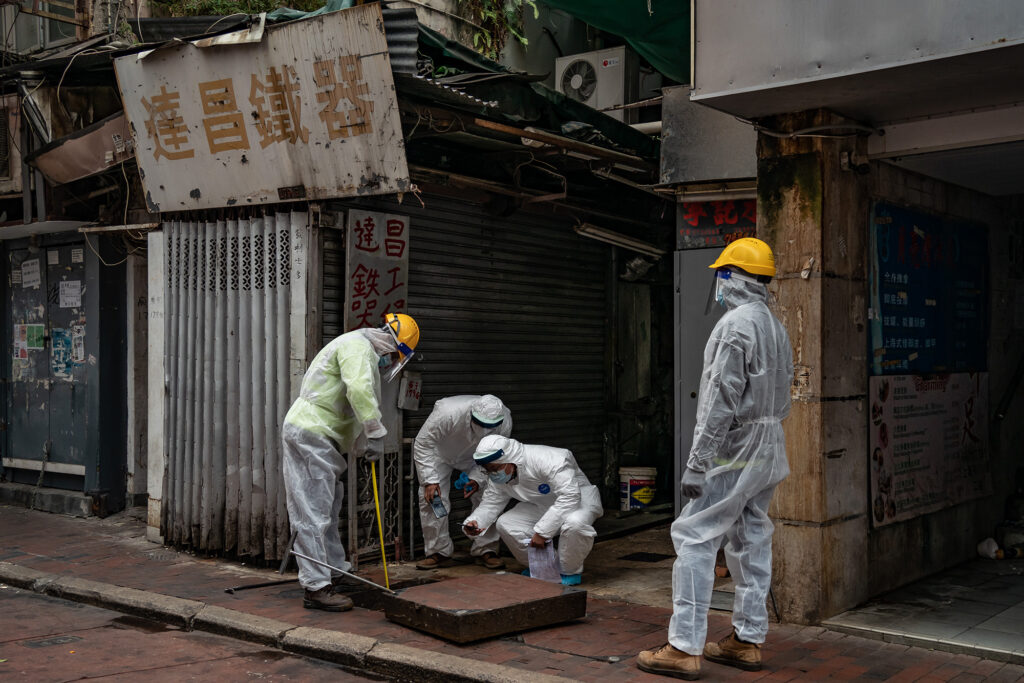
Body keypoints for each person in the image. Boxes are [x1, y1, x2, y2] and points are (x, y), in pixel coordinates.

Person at [638, 238, 793, 680]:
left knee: (694, 536)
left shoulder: (733, 327)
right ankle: (747, 639)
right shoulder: (774, 327)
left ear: (732, 277)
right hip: (769, 445)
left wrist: (698, 461)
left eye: (720, 274)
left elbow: (720, 402)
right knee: (751, 538)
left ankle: (683, 646)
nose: (717, 283)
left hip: (737, 448)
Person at [281, 312, 420, 611]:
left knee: (327, 508)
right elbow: (359, 389)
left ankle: (335, 571)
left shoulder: (361, 349)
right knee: (312, 511)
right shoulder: (358, 348)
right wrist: (375, 432)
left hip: (322, 437)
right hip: (311, 432)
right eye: (395, 357)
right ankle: (316, 587)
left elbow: (347, 400)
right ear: (390, 344)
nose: (390, 363)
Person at [463, 434, 603, 586]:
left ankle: (568, 571)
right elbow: (491, 502)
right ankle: (543, 568)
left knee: (575, 524)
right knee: (506, 523)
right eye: (487, 470)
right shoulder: (500, 474)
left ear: (509, 459)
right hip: (542, 504)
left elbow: (570, 496)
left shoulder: (550, 459)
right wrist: (475, 521)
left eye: (494, 469)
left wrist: (542, 532)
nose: (492, 474)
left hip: (579, 500)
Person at [413, 395, 513, 570]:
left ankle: (486, 549)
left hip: (478, 458)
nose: (483, 430)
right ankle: (438, 551)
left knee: (489, 494)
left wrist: (476, 479)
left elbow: (497, 454)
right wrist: (429, 480)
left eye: (489, 427)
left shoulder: (505, 421)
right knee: (432, 499)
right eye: (480, 424)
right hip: (440, 455)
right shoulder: (447, 412)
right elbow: (423, 444)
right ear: (471, 414)